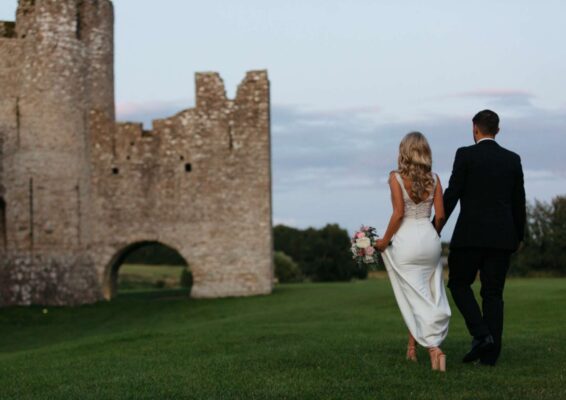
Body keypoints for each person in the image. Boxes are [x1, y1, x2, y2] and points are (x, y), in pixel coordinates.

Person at [441, 109, 526, 366]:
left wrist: (434, 227)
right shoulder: (512, 159)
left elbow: (452, 194)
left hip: (469, 236)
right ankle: (490, 356)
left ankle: (481, 334)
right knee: (493, 294)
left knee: (458, 284)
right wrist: (518, 236)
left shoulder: (465, 155)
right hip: (502, 239)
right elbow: (518, 202)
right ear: (497, 131)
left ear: (474, 128)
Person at [374, 131, 451, 372]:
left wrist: (384, 241)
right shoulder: (436, 179)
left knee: (414, 298)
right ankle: (411, 348)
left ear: (404, 152)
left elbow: (398, 214)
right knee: (426, 295)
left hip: (406, 241)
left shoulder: (396, 178)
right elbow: (440, 216)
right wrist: (433, 234)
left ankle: (433, 349)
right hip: (429, 240)